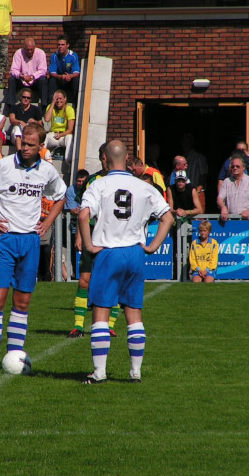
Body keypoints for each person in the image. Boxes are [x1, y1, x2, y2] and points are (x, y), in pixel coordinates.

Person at [0, 123, 67, 374]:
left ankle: (15, 356)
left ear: (41, 146)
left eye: (32, 145)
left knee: (22, 301)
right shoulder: (1, 166)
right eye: (23, 143)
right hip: (4, 240)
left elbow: (61, 196)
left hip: (30, 241)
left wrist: (47, 221)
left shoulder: (47, 171)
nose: (25, 149)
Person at [78, 140, 173, 384]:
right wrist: (152, 246)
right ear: (127, 157)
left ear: (105, 160)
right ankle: (135, 372)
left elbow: (83, 214)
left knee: (101, 311)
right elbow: (168, 218)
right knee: (133, 312)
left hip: (109, 252)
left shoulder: (98, 185)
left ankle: (99, 372)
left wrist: (88, 245)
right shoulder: (144, 186)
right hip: (134, 253)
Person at [68, 143, 121, 339]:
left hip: (115, 238)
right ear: (101, 158)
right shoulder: (92, 180)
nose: (106, 160)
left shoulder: (124, 179)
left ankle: (110, 326)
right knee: (84, 281)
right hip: (93, 236)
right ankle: (78, 326)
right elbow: (85, 210)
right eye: (103, 157)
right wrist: (80, 235)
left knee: (113, 282)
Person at [217, 151, 249, 221]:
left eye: (237, 166)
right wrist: (223, 208)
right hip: (231, 220)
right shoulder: (227, 182)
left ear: (243, 167)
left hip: (248, 220)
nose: (235, 168)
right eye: (233, 166)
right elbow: (220, 199)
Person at [7, 38, 48, 109]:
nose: (29, 51)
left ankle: (44, 106)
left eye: (31, 49)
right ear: (24, 48)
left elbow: (43, 70)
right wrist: (20, 75)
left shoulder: (40, 53)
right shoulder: (18, 53)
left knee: (43, 80)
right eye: (27, 49)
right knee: (12, 79)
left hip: (35, 82)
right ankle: (11, 106)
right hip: (22, 81)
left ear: (34, 48)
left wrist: (32, 77)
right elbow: (13, 70)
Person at [63, 168, 89, 278]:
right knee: (74, 249)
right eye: (79, 181)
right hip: (73, 224)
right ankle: (75, 274)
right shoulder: (71, 190)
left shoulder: (92, 188)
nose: (81, 184)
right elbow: (73, 210)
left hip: (89, 223)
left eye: (83, 181)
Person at [48, 35, 80, 107]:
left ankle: (76, 105)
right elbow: (52, 73)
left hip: (69, 80)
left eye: (62, 45)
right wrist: (61, 76)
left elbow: (77, 72)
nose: (60, 46)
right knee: (52, 80)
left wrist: (70, 76)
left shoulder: (73, 56)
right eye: (58, 45)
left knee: (76, 80)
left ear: (67, 45)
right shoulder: (54, 56)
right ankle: (50, 105)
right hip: (59, 79)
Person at [179, 133, 208, 212]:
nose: (185, 144)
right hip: (184, 192)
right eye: (183, 142)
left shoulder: (199, 157)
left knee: (198, 219)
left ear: (192, 143)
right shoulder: (181, 158)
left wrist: (197, 191)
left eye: (187, 142)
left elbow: (203, 175)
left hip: (197, 191)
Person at [43, 89, 75, 160]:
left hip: (63, 136)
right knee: (45, 137)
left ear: (65, 99)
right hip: (53, 135)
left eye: (60, 98)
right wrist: (53, 103)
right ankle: (41, 159)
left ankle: (68, 160)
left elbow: (70, 130)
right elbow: (47, 119)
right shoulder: (50, 107)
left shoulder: (70, 109)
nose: (58, 101)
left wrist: (60, 135)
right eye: (56, 99)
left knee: (70, 137)